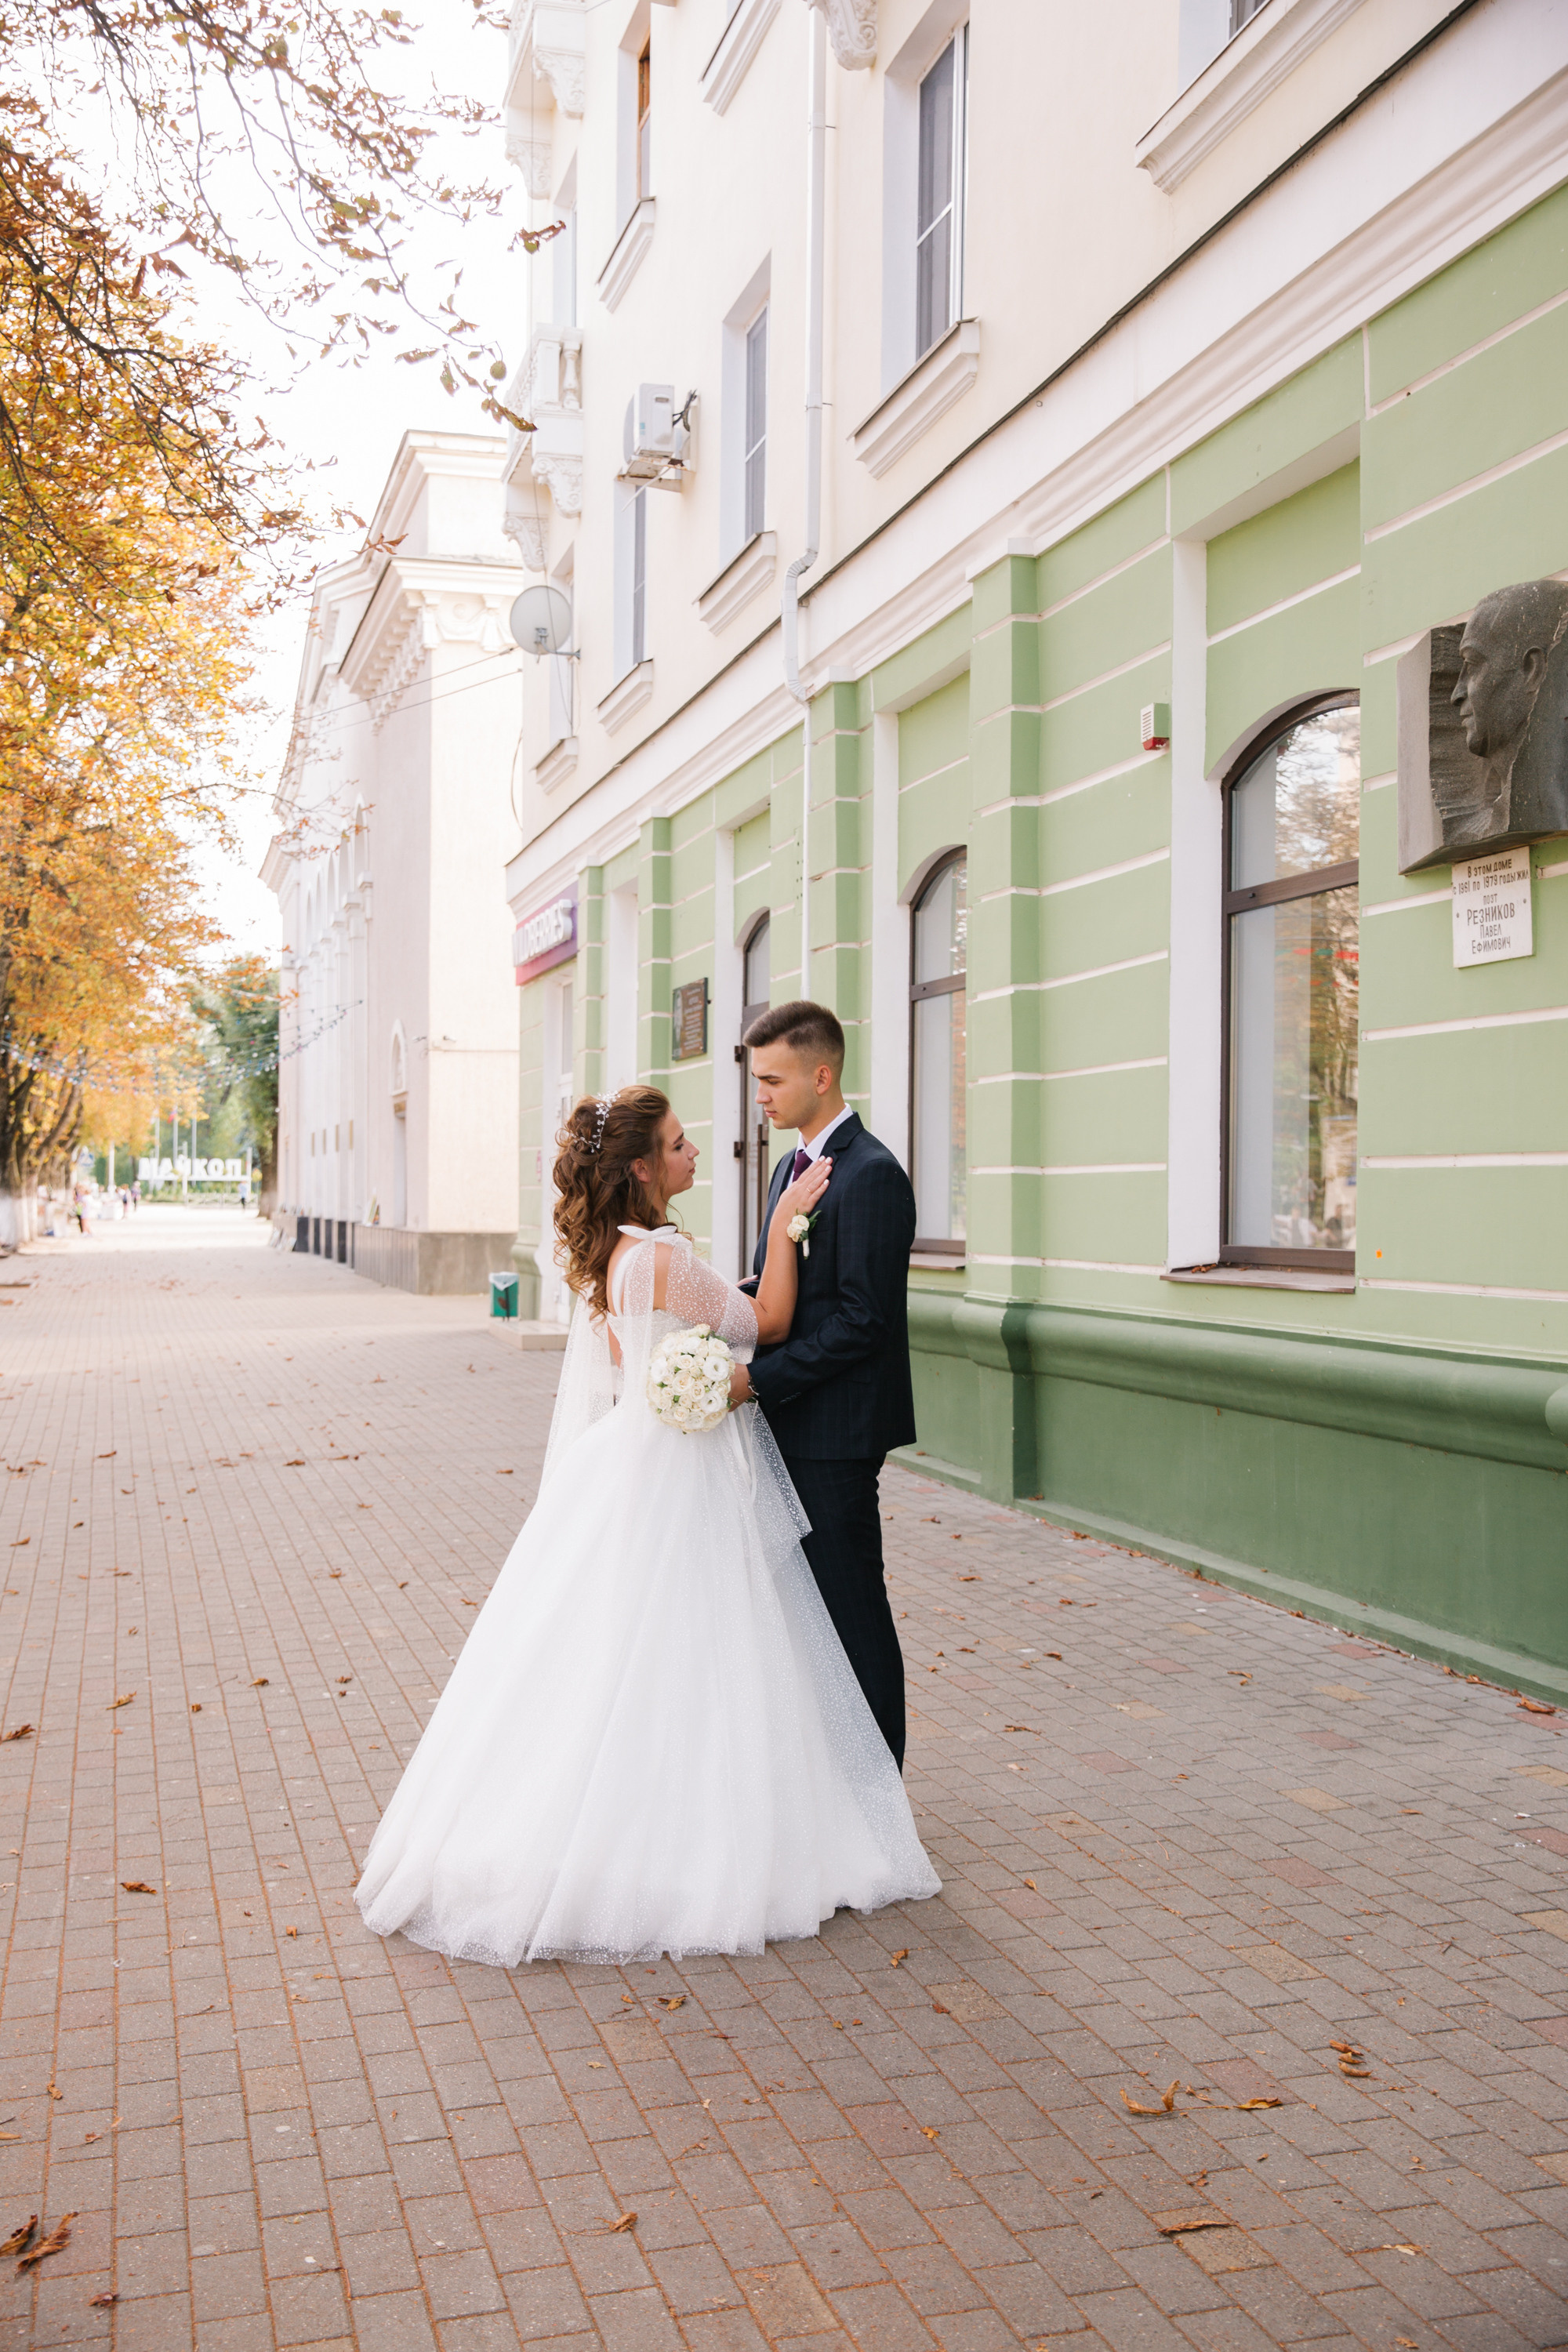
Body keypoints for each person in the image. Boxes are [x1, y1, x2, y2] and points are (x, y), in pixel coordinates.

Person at [354, 1084, 938, 1968]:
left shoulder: (620, 1256)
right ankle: (693, 1842)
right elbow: (767, 1321)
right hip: (682, 1470)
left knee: (631, 1648)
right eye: (676, 1143)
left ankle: (642, 1819)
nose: (694, 1151)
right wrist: (782, 1221)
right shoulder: (661, 1256)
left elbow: (673, 1335)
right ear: (640, 1169)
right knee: (702, 1645)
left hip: (631, 1459)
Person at [734, 1003, 917, 1770]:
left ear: (821, 1073)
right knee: (805, 1619)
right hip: (789, 1426)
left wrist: (752, 1381)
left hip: (836, 1436)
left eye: (772, 1080)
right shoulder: (789, 1166)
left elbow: (859, 1321)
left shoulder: (872, 1174)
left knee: (849, 1614)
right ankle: (831, 1785)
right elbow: (780, 1285)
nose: (761, 1097)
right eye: (755, 1081)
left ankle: (877, 1796)